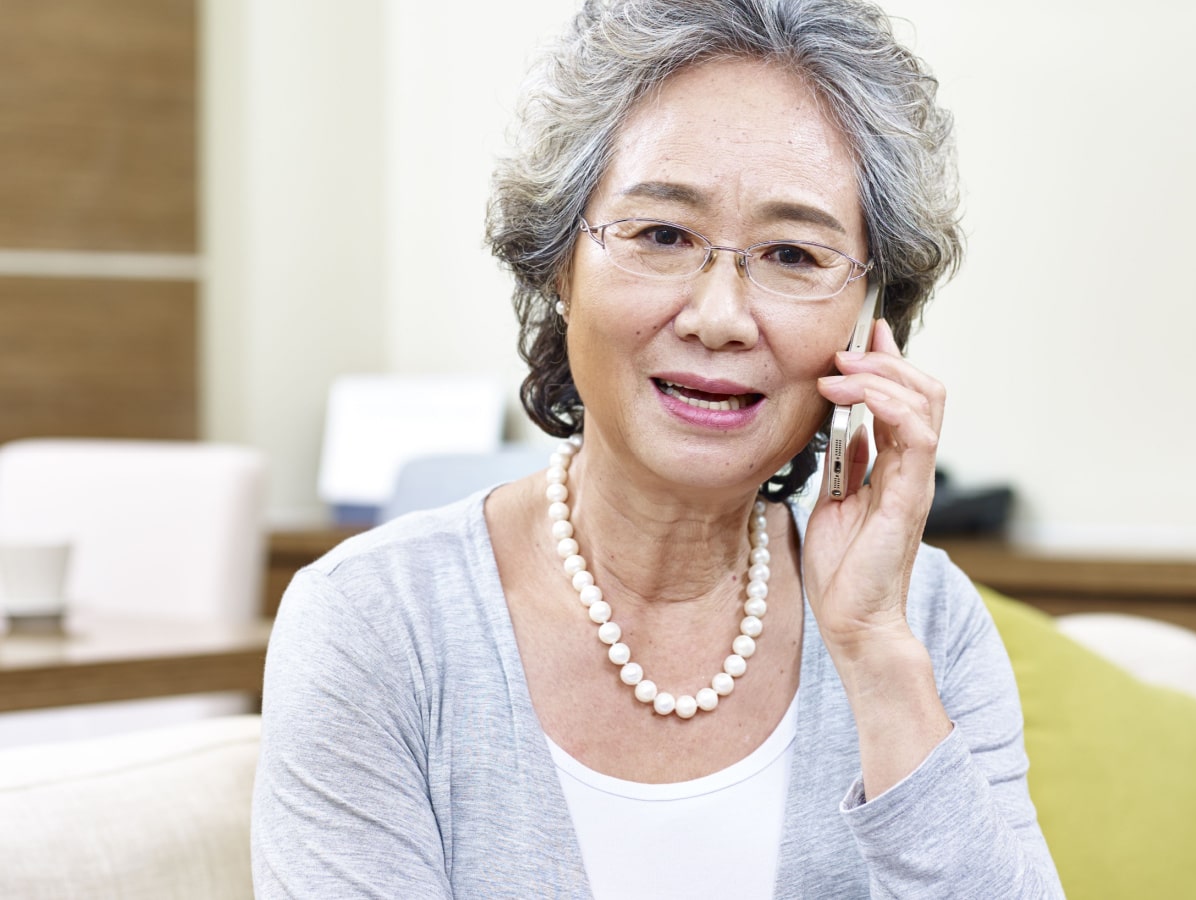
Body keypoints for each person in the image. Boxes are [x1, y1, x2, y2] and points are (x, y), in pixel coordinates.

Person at [252, 1, 1064, 897]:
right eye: (663, 236)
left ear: (870, 323)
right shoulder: (373, 622)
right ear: (560, 265)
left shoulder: (926, 622)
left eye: (794, 255)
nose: (719, 318)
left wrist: (873, 650)